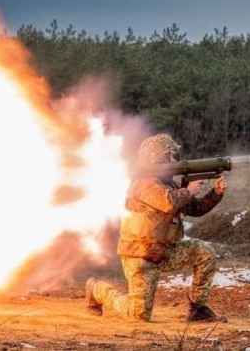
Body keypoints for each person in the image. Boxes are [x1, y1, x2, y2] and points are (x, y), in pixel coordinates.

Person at [85, 133, 228, 322]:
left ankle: (197, 309)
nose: (176, 159)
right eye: (171, 155)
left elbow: (195, 208)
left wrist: (216, 193)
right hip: (140, 256)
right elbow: (167, 202)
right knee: (139, 314)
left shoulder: (168, 184)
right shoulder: (143, 182)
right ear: (158, 157)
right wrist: (188, 190)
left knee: (204, 252)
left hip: (164, 251)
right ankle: (97, 289)